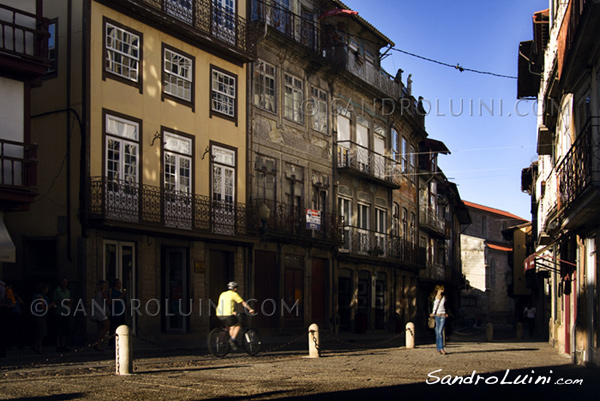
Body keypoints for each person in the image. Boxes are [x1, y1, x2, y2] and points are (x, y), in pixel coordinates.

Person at [216, 281, 255, 350]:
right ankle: (232, 339)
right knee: (237, 325)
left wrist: (233, 311)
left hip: (219, 314)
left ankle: (230, 340)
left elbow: (225, 304)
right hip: (227, 314)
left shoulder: (223, 294)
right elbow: (243, 303)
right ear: (235, 288)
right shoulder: (234, 294)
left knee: (232, 325)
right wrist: (250, 309)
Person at [31, 282, 56, 354]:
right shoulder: (39, 297)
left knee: (39, 332)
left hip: (39, 316)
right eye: (46, 288)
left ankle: (36, 346)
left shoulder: (38, 296)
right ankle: (39, 348)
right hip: (40, 316)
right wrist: (50, 305)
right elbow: (42, 308)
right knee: (40, 332)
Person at [52, 277, 72, 352]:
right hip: (59, 312)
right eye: (63, 282)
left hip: (66, 312)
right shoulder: (57, 291)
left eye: (65, 282)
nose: (64, 283)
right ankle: (58, 345)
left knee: (65, 330)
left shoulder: (67, 291)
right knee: (59, 330)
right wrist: (62, 302)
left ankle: (63, 345)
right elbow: (54, 301)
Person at [90, 280, 109, 351]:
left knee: (100, 328)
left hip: (96, 312)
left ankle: (97, 342)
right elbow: (108, 302)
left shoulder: (96, 293)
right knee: (106, 328)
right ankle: (98, 343)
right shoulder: (102, 293)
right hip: (101, 312)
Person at [429, 284, 448, 355]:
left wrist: (447, 313)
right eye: (441, 289)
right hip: (436, 316)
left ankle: (442, 348)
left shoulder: (444, 297)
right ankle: (438, 348)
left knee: (440, 332)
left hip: (442, 315)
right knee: (437, 333)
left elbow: (447, 305)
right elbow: (429, 305)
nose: (443, 290)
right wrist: (430, 313)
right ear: (438, 289)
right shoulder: (433, 297)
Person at [108, 278, 126, 344]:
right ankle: (112, 342)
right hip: (115, 313)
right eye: (119, 283)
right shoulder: (112, 292)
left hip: (121, 312)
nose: (121, 284)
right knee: (114, 327)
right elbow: (113, 301)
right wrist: (122, 296)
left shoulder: (119, 292)